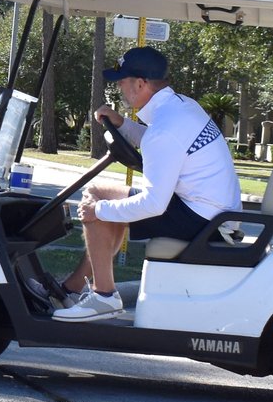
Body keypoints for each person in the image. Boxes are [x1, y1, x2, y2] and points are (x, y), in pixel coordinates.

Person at [49, 45, 240, 321]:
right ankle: (72, 288)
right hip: (211, 211)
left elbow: (153, 203)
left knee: (99, 205)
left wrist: (98, 212)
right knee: (97, 193)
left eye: (122, 82)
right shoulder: (182, 106)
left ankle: (104, 297)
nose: (120, 89)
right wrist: (121, 123)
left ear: (140, 84)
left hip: (204, 221)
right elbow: (157, 141)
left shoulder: (164, 130)